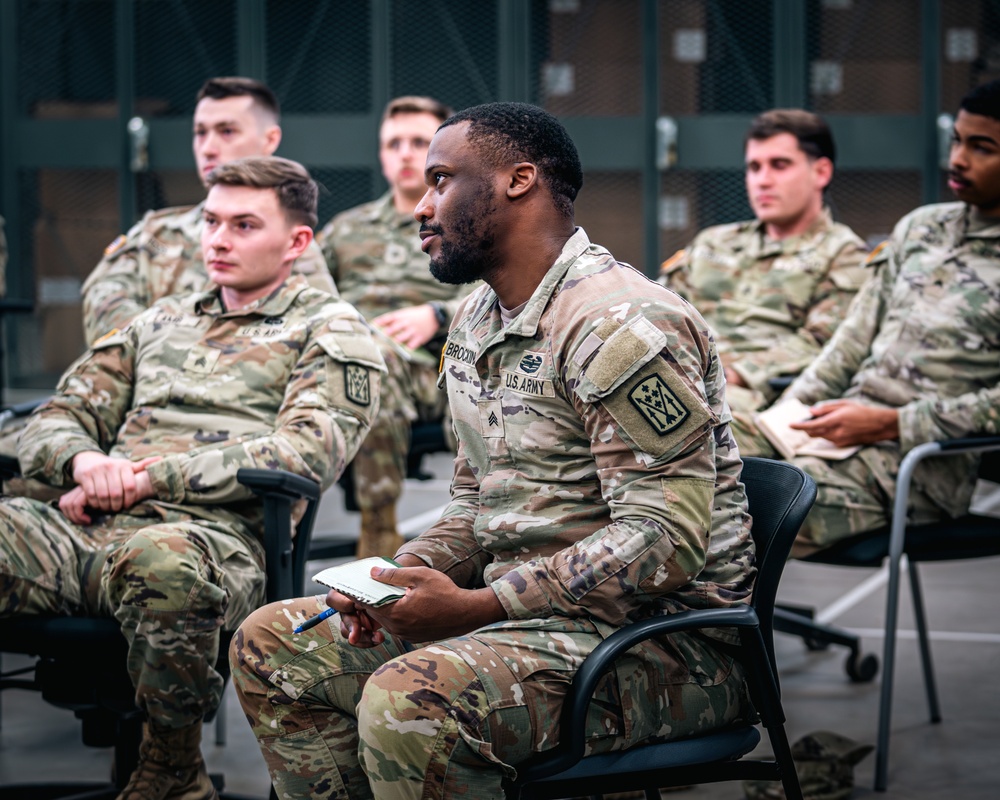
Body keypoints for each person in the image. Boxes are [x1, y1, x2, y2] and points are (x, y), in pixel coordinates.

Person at [230, 102, 756, 800]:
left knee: (411, 699)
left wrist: (478, 607)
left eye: (441, 180)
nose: (421, 207)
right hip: (534, 625)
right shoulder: (480, 319)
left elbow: (664, 540)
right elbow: (477, 502)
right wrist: (397, 577)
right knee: (272, 643)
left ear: (519, 181)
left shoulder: (618, 325)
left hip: (665, 647)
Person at [0, 156, 384, 800]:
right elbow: (55, 417)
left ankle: (172, 771)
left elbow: (303, 453)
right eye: (210, 221)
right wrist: (85, 464)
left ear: (297, 242)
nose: (217, 239)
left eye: (242, 224)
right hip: (84, 529)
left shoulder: (330, 329)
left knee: (163, 562)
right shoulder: (159, 321)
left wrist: (151, 479)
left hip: (210, 541)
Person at [733, 79, 1000, 558]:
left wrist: (890, 423)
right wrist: (784, 418)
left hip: (912, 470)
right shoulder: (923, 228)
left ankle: (715, 633)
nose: (958, 159)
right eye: (958, 140)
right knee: (683, 450)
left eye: (982, 148)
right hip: (834, 430)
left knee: (724, 511)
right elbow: (848, 347)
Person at [315, 95, 478, 558]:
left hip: (442, 364)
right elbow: (308, 295)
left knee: (374, 362)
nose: (406, 153)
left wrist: (437, 314)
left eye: (418, 142)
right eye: (394, 144)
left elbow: (507, 284)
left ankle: (379, 530)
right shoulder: (348, 229)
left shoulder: (469, 221)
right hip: (354, 358)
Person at [82, 76, 336, 346]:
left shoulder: (286, 245)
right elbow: (102, 296)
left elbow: (319, 328)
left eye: (227, 131)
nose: (208, 148)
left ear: (270, 139)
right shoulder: (156, 235)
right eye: (201, 132)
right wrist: (156, 350)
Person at [659, 109, 869, 418]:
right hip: (681, 380)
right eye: (754, 167)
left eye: (779, 166)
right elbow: (658, 312)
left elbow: (826, 346)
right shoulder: (712, 242)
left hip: (759, 404)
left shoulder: (845, 255)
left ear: (821, 173)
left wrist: (734, 374)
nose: (762, 181)